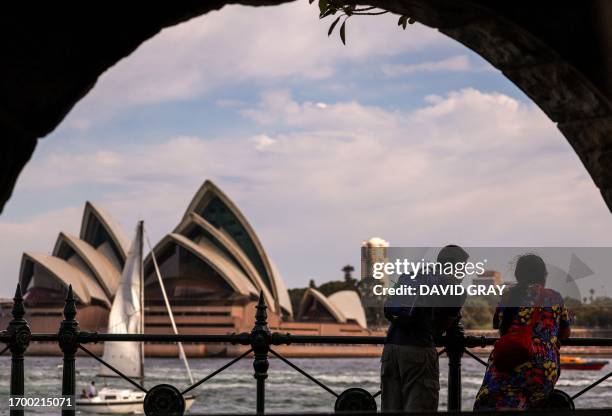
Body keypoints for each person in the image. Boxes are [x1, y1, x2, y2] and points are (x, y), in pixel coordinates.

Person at [474, 254, 572, 410]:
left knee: (493, 402)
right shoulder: (554, 297)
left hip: (509, 363)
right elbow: (565, 332)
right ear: (543, 275)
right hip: (544, 369)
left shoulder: (508, 296)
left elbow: (497, 325)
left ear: (518, 275)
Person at [381, 245, 469, 412]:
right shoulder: (454, 289)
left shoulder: (413, 276)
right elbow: (440, 329)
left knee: (390, 409)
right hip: (419, 352)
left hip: (390, 350)